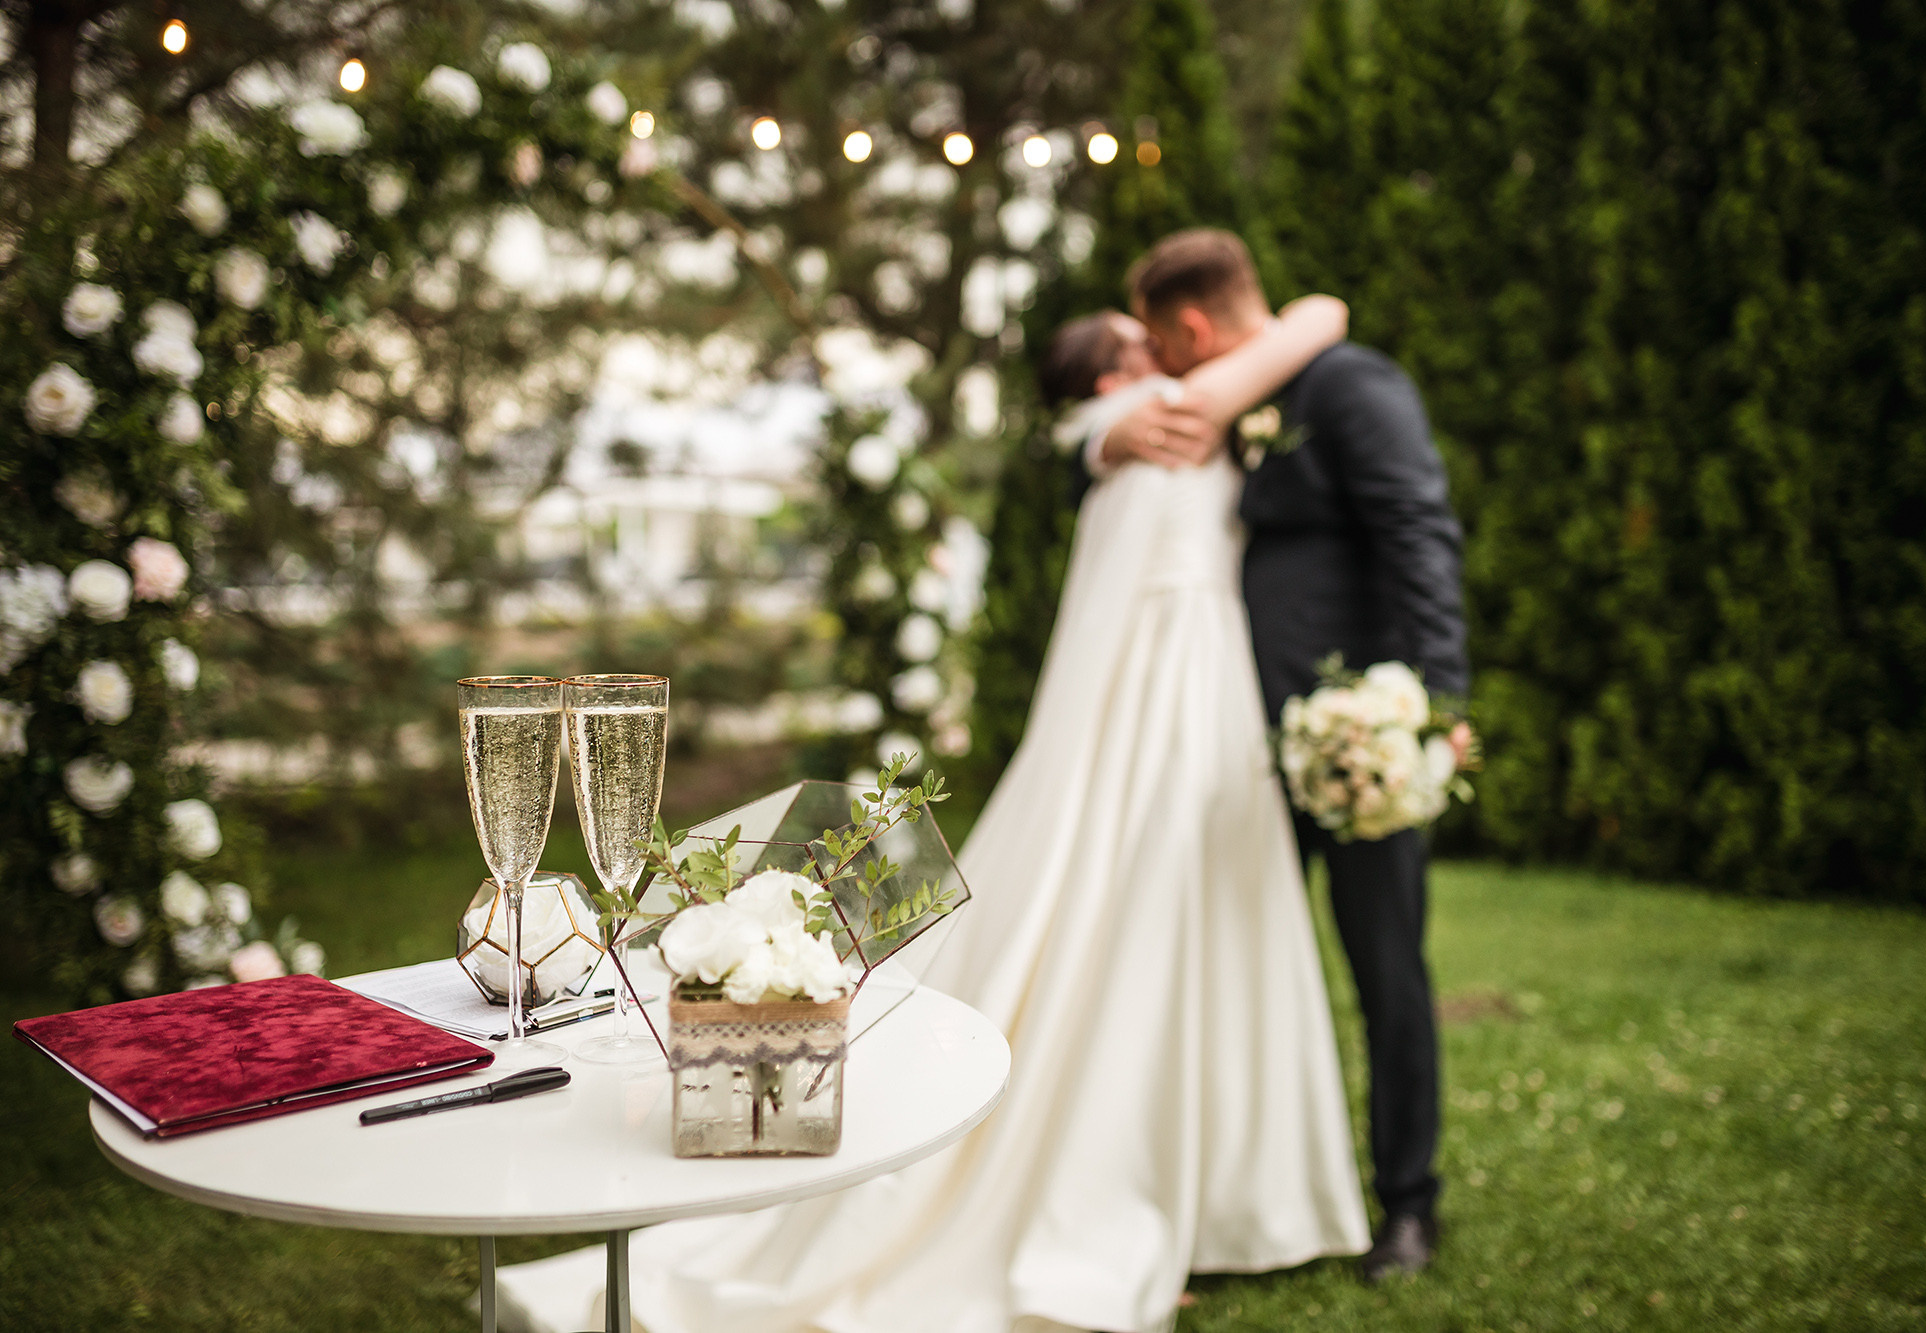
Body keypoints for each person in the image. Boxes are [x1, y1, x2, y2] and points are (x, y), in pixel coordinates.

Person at [495, 295, 1370, 1333]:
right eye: (1141, 345)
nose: (1173, 353)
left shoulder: (1120, 446)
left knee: (1191, 930)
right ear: (1108, 381)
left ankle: (1223, 1195)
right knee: (1139, 929)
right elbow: (1316, 316)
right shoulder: (1162, 424)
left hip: (1194, 695)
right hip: (1171, 703)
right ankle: (1152, 1196)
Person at [1098, 229, 1469, 1281]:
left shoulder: (1351, 387)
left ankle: (1408, 1202)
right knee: (1242, 970)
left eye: (1166, 348)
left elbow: (1418, 532)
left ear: (1191, 329)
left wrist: (1429, 705)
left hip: (1358, 739)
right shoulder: (1237, 405)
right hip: (1239, 745)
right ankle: (1240, 1203)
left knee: (1385, 969)